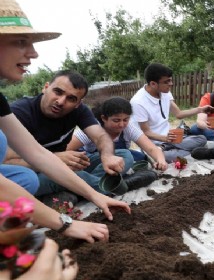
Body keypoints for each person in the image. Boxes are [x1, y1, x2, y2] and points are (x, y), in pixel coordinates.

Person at [0, 0, 126, 244]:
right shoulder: (23, 109)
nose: (33, 53)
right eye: (22, 41)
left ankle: (94, 189)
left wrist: (95, 197)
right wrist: (65, 223)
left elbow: (38, 153)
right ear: (46, 88)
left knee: (27, 179)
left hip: (24, 176)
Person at [5, 70, 135, 200]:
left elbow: (100, 136)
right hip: (28, 174)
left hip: (64, 166)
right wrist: (55, 159)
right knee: (76, 176)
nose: (61, 101)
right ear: (45, 88)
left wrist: (107, 156)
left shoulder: (79, 111)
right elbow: (8, 162)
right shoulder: (19, 113)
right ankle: (109, 188)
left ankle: (77, 190)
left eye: (71, 99)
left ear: (78, 103)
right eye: (58, 92)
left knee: (124, 155)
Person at [130, 63, 209, 163]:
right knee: (191, 150)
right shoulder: (138, 102)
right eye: (167, 82)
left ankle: (170, 151)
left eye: (171, 80)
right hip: (153, 143)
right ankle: (161, 154)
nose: (171, 84)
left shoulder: (165, 92)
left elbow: (178, 114)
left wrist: (200, 109)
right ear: (153, 84)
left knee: (202, 139)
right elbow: (146, 133)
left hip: (170, 139)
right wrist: (165, 138)